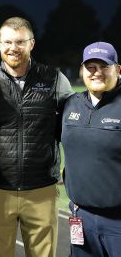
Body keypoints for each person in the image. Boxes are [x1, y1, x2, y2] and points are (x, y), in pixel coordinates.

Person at [0, 16, 73, 257]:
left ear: (32, 44)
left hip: (41, 190)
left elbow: (73, 127)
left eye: (20, 42)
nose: (13, 48)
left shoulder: (55, 80)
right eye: (7, 42)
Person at [61, 42, 121, 257]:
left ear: (117, 69)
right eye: (91, 67)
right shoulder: (70, 105)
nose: (97, 73)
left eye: (104, 66)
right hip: (80, 217)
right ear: (82, 70)